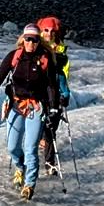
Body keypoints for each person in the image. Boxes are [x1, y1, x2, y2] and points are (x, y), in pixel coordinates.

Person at [0, 23, 63, 200]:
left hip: (36, 107)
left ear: (38, 41)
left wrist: (53, 108)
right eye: (28, 39)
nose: (31, 43)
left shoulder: (44, 59)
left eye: (34, 40)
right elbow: (0, 76)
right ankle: (20, 167)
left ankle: (29, 184)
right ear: (23, 39)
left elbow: (51, 86)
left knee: (30, 147)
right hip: (16, 105)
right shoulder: (15, 56)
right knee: (12, 147)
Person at [35, 14, 72, 174]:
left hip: (55, 94)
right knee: (40, 128)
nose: (49, 34)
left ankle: (48, 161)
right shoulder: (33, 47)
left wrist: (65, 93)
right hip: (37, 94)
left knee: (51, 128)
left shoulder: (61, 53)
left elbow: (63, 74)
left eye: (52, 31)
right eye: (45, 30)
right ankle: (41, 159)